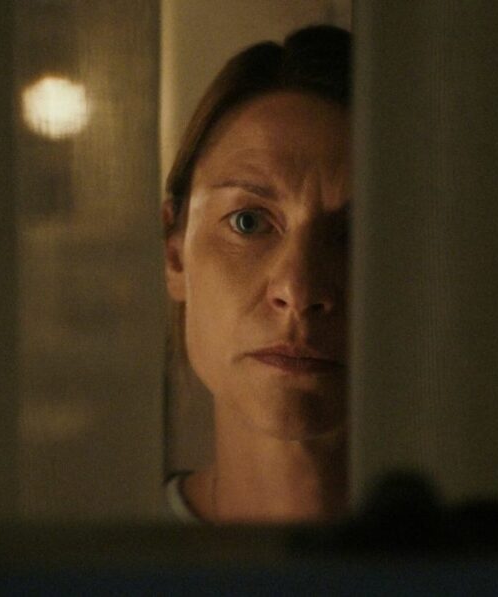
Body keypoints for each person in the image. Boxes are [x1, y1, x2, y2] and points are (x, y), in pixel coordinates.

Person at [162, 25, 351, 523]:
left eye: (356, 234)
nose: (299, 290)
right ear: (175, 253)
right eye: (248, 222)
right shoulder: (89, 553)